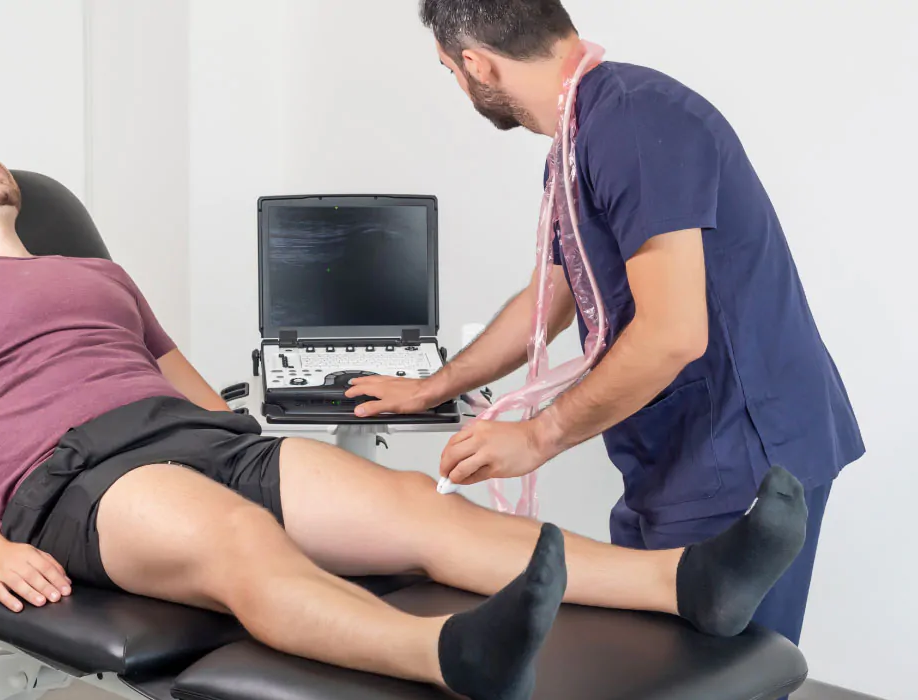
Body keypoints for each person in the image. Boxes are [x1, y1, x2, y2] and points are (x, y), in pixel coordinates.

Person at [0, 106, 808, 700]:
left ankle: (687, 583)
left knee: (418, 507)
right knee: (238, 539)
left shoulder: (97, 272)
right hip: (83, 477)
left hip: (201, 438)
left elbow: (178, 378)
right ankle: (443, 656)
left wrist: (256, 448)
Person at [348, 0, 864, 649]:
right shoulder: (578, 142)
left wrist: (536, 437)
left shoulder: (634, 122)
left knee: (720, 682)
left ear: (476, 64)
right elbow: (551, 297)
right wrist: (432, 386)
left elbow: (675, 332)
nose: (458, 83)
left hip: (746, 459)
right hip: (671, 457)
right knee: (649, 663)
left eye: (450, 70)